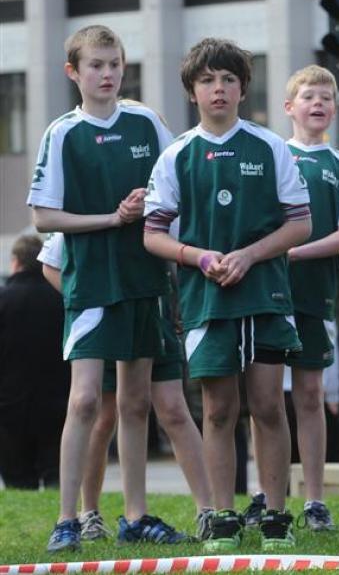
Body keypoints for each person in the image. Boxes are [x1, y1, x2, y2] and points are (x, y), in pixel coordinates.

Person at [143, 37, 311, 552]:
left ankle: (277, 514)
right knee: (217, 408)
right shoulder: (177, 157)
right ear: (192, 92)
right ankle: (220, 515)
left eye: (228, 80)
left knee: (267, 404)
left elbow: (300, 224)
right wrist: (201, 257)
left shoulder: (269, 146)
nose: (219, 89)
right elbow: (153, 235)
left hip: (265, 295)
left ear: (243, 88)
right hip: (206, 301)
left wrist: (249, 255)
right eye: (208, 80)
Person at [27, 25, 186, 553]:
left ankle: (136, 515)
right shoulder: (61, 133)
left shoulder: (146, 123)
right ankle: (67, 519)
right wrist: (113, 218)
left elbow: (173, 192)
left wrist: (155, 218)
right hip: (92, 285)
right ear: (73, 72)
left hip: (146, 281)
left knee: (137, 402)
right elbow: (43, 215)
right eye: (96, 65)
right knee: (86, 400)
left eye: (115, 63)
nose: (108, 73)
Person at [38, 231, 214, 542]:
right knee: (101, 413)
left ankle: (207, 511)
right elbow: (51, 261)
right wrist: (84, 302)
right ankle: (87, 513)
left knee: (171, 408)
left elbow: (178, 248)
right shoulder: (94, 200)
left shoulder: (158, 196)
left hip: (154, 315)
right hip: (106, 312)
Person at [269, 64, 339, 532]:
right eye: (309, 96)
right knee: (265, 400)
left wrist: (292, 251)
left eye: (327, 97)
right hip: (267, 298)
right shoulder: (271, 156)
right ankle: (267, 497)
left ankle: (314, 500)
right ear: (289, 107)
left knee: (310, 396)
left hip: (315, 300)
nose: (318, 104)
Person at [0, 235, 68, 491]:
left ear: (15, 262)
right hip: (58, 401)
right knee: (55, 476)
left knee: (18, 480)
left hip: (10, 404)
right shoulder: (61, 299)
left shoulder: (4, 299)